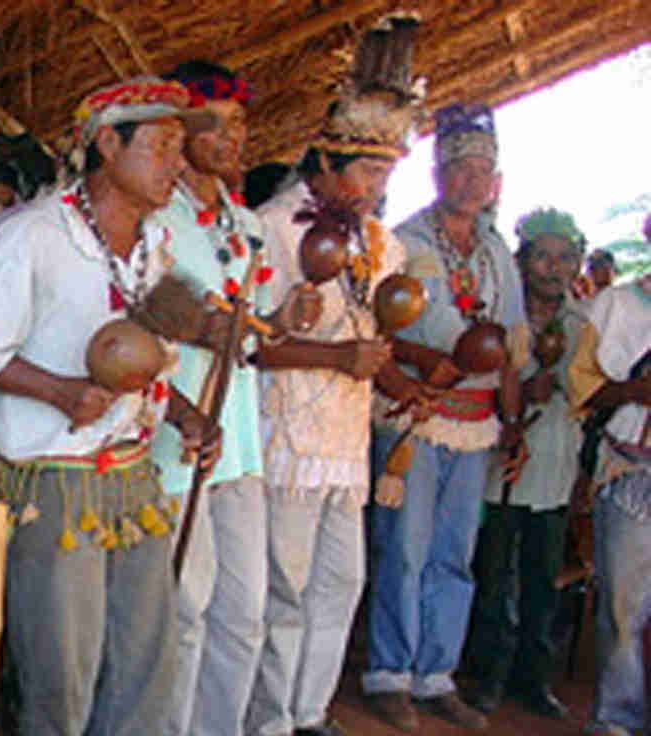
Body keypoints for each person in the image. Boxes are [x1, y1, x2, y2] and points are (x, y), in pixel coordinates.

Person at [0, 77, 220, 736]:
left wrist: (186, 415)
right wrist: (61, 392)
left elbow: (155, 357)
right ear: (106, 143)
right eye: (160, 146)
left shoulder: (158, 245)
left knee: (144, 672)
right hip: (56, 484)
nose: (176, 163)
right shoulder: (34, 235)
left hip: (135, 477)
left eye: (180, 147)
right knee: (61, 680)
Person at [248, 17, 422, 734]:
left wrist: (394, 378)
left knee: (341, 582)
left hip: (346, 443)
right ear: (323, 161)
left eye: (387, 173)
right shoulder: (272, 228)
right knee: (283, 584)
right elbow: (253, 345)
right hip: (286, 431)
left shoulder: (382, 242)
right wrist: (335, 358)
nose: (378, 187)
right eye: (367, 171)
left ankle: (310, 710)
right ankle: (269, 717)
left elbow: (375, 336)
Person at [365, 102, 528, 731]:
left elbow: (510, 348)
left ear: (494, 182)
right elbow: (375, 324)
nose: (471, 180)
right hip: (414, 416)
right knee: (403, 548)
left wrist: (512, 425)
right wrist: (421, 359)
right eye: (460, 167)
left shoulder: (497, 253)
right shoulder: (403, 241)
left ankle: (436, 675)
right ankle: (388, 674)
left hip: (477, 424)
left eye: (482, 169)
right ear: (439, 173)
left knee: (455, 554)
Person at [151, 60, 300, 736]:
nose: (231, 136)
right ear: (176, 130)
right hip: (174, 437)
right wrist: (205, 323)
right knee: (184, 608)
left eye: (239, 124)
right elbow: (142, 313)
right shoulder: (153, 217)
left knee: (244, 611)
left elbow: (257, 333)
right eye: (215, 122)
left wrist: (284, 322)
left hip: (240, 439)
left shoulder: (246, 224)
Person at [465, 208, 587, 719]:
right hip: (501, 470)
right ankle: (486, 675)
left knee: (542, 580)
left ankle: (533, 680)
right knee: (494, 578)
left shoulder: (585, 325)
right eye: (543, 257)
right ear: (524, 262)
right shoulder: (501, 317)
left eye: (564, 258)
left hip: (557, 469)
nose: (553, 269)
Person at [568, 273, 651, 736]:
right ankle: (616, 719)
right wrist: (635, 392)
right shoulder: (616, 304)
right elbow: (582, 389)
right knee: (624, 608)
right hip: (630, 472)